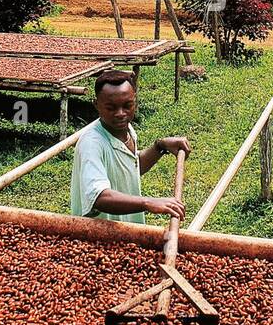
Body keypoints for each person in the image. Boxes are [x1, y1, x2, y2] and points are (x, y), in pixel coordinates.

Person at [70, 69, 191, 224]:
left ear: (135, 101)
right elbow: (99, 197)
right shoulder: (92, 144)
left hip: (126, 233)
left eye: (127, 105)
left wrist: (160, 146)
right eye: (111, 108)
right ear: (96, 105)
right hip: (98, 237)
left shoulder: (125, 129)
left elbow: (130, 167)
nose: (120, 113)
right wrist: (148, 202)